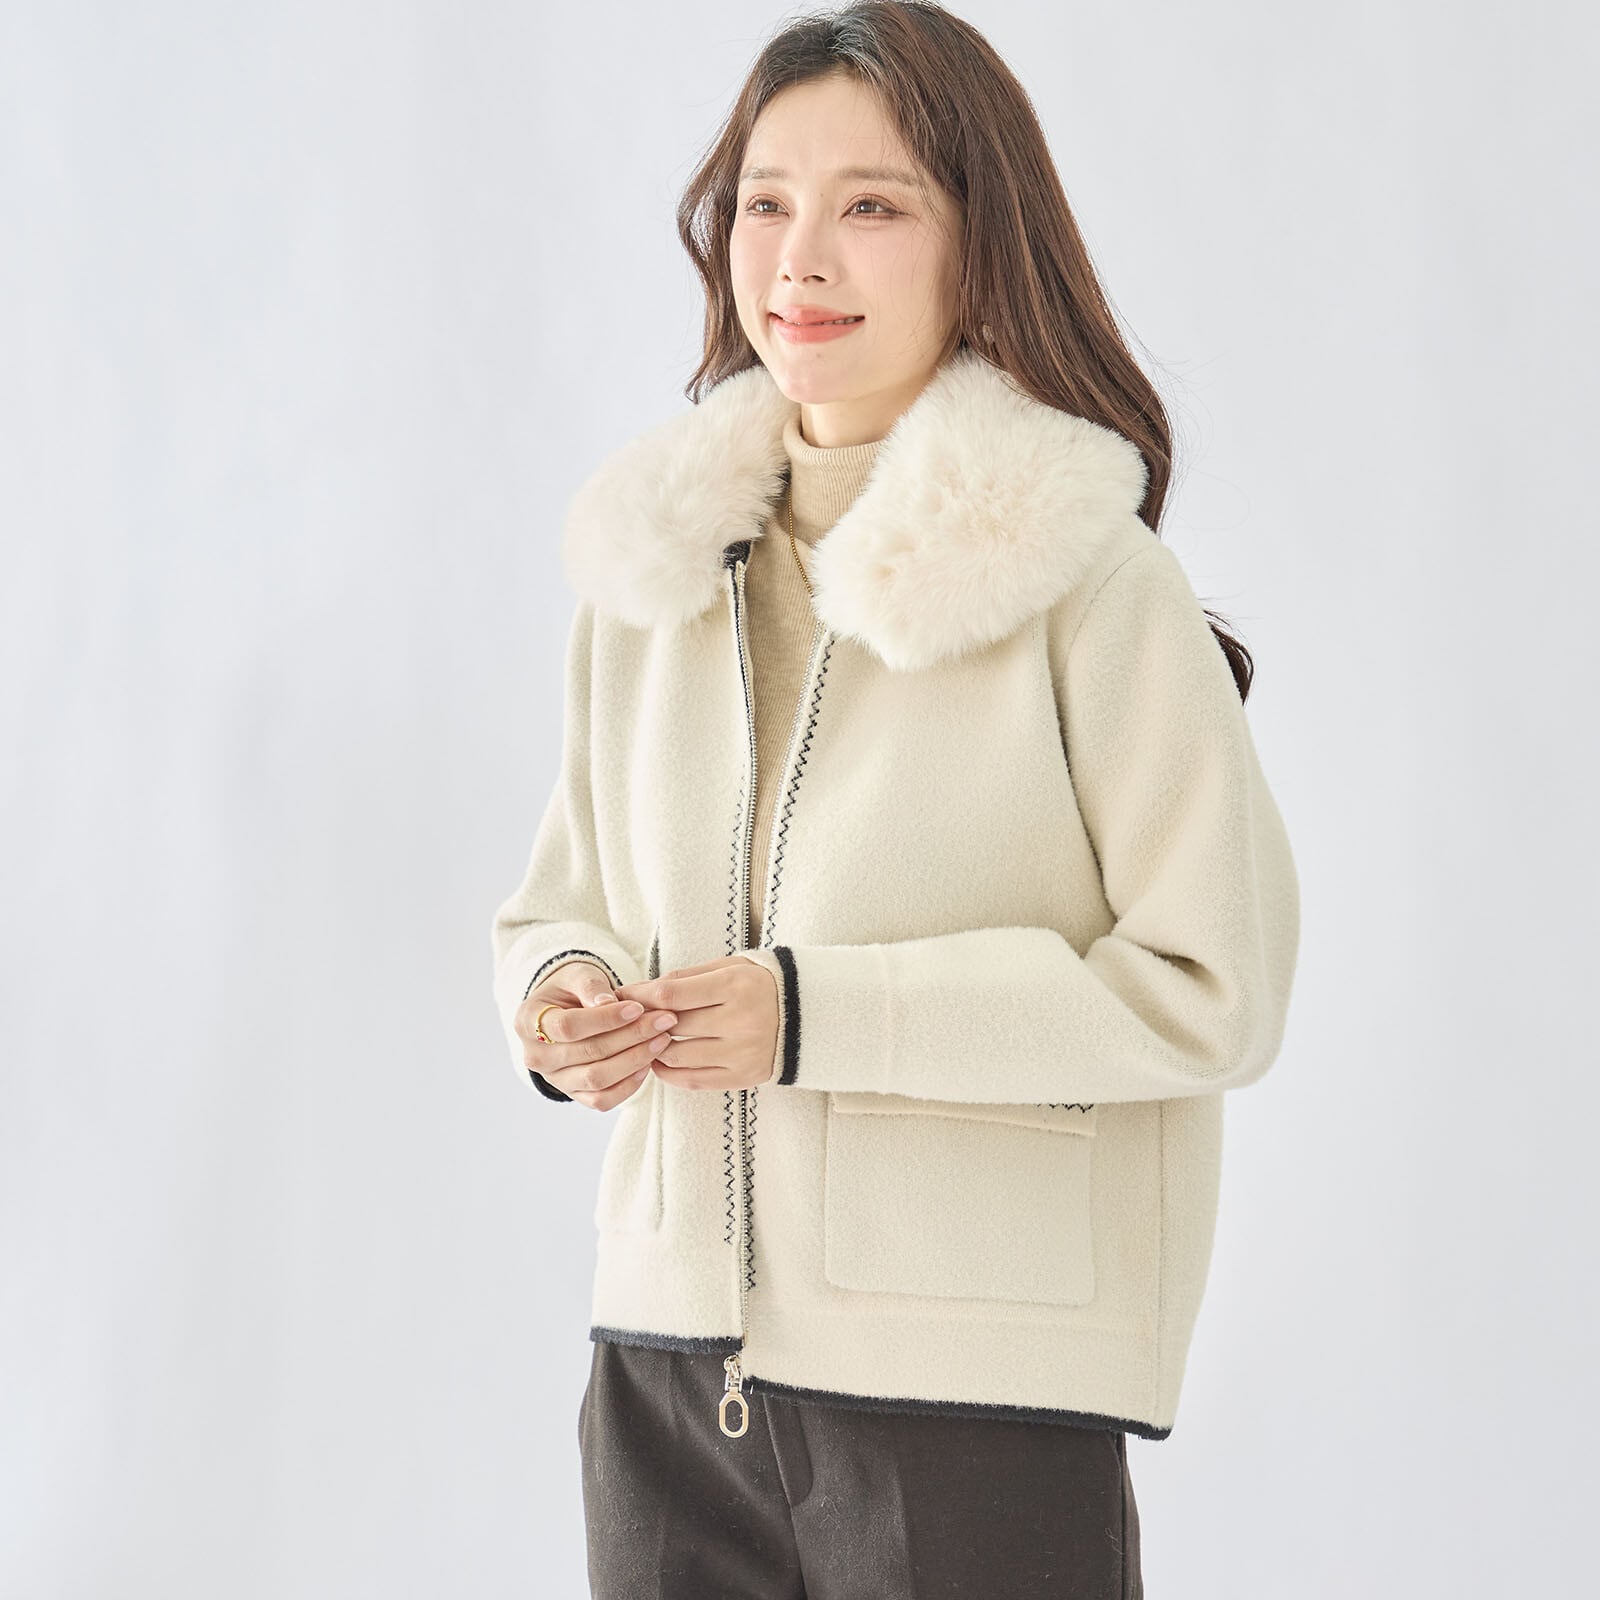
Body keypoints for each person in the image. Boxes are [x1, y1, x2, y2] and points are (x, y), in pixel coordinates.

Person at [489, 4, 1301, 1594]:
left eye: (872, 205)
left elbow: (1217, 988)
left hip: (971, 1392)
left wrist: (814, 1017)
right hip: (663, 1371)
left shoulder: (1088, 585)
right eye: (766, 201)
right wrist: (560, 998)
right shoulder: (652, 572)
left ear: (979, 244)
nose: (800, 256)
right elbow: (559, 897)